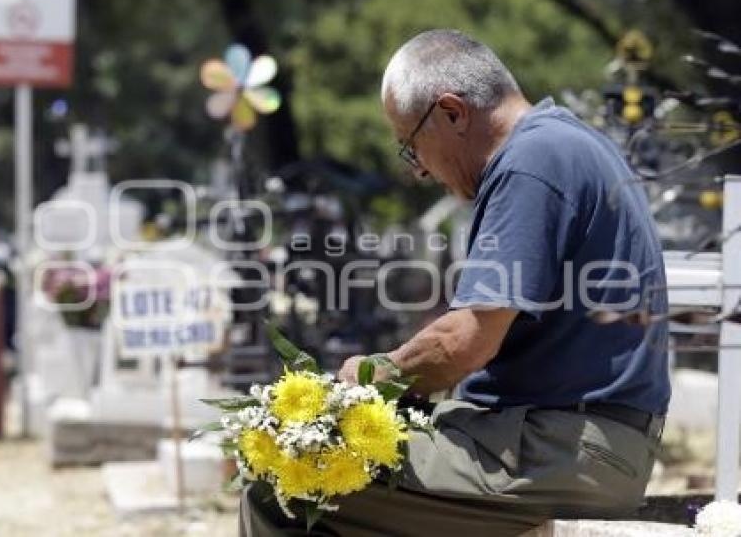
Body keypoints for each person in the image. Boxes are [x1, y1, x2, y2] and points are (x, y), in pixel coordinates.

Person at [240, 29, 669, 536]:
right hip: (567, 439)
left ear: (452, 112)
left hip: (571, 449)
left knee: (284, 482)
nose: (418, 170)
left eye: (410, 145)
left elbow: (465, 343)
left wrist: (366, 378)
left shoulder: (531, 162)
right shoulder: (560, 143)